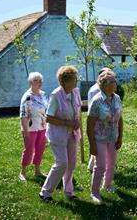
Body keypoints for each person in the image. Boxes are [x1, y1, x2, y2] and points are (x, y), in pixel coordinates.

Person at [39, 66, 82, 202]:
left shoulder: (75, 92)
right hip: (58, 134)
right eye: (74, 79)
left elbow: (78, 110)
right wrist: (67, 123)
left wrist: (77, 122)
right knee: (62, 163)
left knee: (72, 163)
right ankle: (45, 192)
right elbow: (48, 118)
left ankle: (69, 191)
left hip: (72, 133)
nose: (76, 81)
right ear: (65, 81)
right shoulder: (56, 95)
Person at [87, 70, 123, 204]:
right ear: (105, 85)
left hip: (113, 138)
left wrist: (120, 137)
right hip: (99, 138)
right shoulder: (97, 101)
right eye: (113, 81)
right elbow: (89, 124)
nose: (116, 83)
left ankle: (107, 185)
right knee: (100, 165)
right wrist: (92, 144)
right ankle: (95, 192)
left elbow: (120, 119)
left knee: (111, 164)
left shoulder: (117, 98)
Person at [19, 72, 49, 181]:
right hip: (30, 127)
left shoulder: (43, 94)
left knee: (40, 148)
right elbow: (23, 114)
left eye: (41, 80)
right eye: (36, 80)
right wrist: (25, 130)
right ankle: (22, 172)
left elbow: (47, 109)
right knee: (29, 149)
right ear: (31, 82)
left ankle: (37, 170)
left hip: (42, 126)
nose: (39, 82)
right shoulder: (27, 96)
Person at [87, 67, 111, 173]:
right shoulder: (97, 89)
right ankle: (95, 167)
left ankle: (93, 165)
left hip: (101, 119)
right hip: (99, 121)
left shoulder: (97, 87)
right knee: (99, 144)